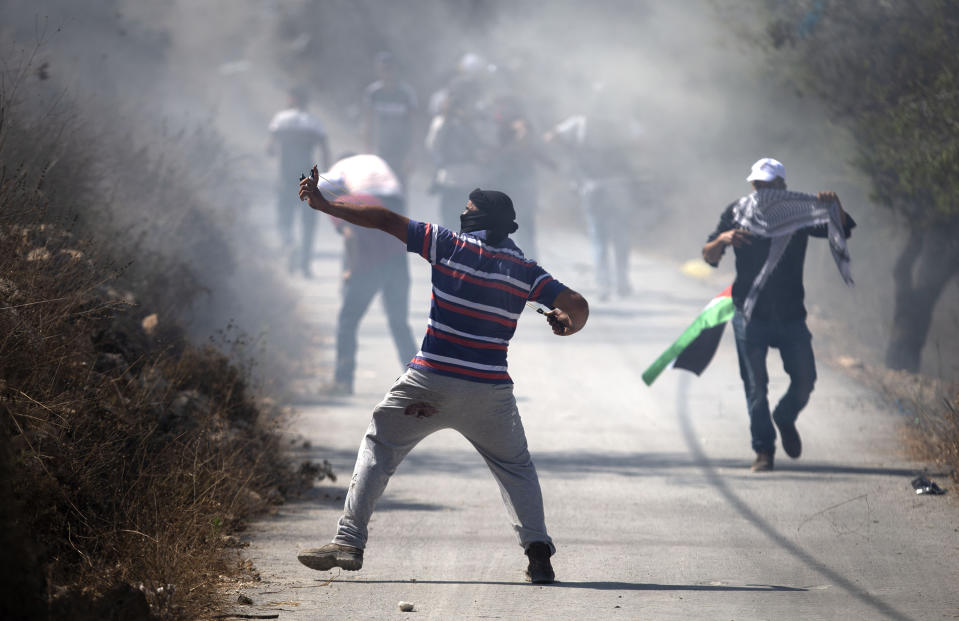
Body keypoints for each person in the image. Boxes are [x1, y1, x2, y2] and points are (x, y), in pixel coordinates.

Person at [296, 172, 590, 584]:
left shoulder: (446, 243)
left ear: (481, 217)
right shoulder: (525, 270)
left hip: (429, 381)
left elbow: (382, 219)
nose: (462, 214)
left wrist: (327, 206)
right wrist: (566, 323)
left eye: (469, 209)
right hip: (489, 392)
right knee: (516, 468)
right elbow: (576, 305)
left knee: (379, 448)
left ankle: (348, 541)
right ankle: (538, 553)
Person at [701, 157, 855, 472]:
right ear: (752, 185)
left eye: (770, 186)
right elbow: (708, 255)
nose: (763, 192)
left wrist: (834, 204)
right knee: (755, 387)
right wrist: (723, 238)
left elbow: (841, 229)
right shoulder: (737, 213)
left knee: (805, 379)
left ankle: (785, 416)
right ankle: (764, 451)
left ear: (783, 186)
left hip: (790, 314)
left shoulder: (798, 214)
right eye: (758, 185)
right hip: (749, 313)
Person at [316, 153, 418, 396]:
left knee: (347, 321)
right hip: (396, 254)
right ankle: (419, 381)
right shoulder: (374, 167)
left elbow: (350, 236)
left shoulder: (339, 198)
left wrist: (351, 269)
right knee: (398, 321)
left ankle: (343, 381)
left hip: (368, 265)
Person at [544, 87, 639, 300]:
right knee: (620, 236)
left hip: (592, 186)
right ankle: (622, 282)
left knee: (599, 238)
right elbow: (642, 140)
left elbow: (550, 137)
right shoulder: (624, 122)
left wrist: (571, 150)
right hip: (619, 186)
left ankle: (603, 285)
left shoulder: (579, 123)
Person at [267, 86, 330, 277]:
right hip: (308, 180)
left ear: (291, 99)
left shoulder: (280, 120)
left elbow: (269, 149)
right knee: (308, 222)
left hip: (285, 176)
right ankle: (305, 265)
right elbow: (325, 150)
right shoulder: (314, 123)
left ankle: (288, 244)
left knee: (284, 216)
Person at [361, 52, 418, 191]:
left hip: (401, 152)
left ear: (395, 70)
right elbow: (368, 124)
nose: (386, 73)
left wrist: (411, 155)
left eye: (389, 69)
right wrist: (368, 152)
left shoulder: (406, 93)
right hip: (380, 150)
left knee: (399, 190)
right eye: (383, 70)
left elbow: (413, 126)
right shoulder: (373, 92)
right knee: (379, 190)